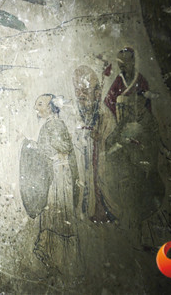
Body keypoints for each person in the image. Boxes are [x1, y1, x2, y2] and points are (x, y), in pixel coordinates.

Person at [100, 47, 165, 230]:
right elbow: (109, 100)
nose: (122, 67)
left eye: (125, 62)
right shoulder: (119, 81)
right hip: (124, 141)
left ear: (133, 61)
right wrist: (120, 113)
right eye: (119, 64)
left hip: (140, 151)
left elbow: (150, 137)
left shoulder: (140, 81)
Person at [30, 94, 81, 268]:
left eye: (40, 104)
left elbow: (64, 148)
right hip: (54, 173)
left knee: (58, 214)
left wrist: (38, 148)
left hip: (59, 174)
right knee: (51, 213)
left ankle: (61, 257)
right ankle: (51, 253)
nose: (36, 108)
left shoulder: (55, 124)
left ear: (50, 108)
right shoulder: (50, 125)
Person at [72, 66, 116, 223]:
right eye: (77, 90)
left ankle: (103, 210)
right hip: (84, 159)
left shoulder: (105, 115)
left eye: (85, 90)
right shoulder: (76, 113)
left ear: (97, 93)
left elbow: (111, 137)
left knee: (99, 181)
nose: (81, 95)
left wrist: (100, 139)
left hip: (100, 159)